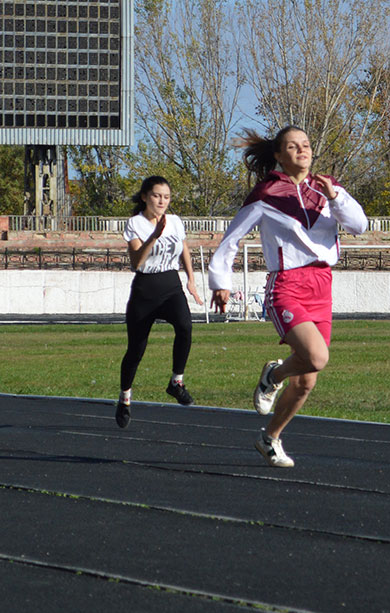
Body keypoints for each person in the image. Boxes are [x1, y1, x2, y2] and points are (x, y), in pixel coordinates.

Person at [209, 126, 367, 467]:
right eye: (293, 146)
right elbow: (232, 238)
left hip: (322, 284)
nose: (302, 150)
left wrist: (335, 198)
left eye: (306, 145)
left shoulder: (328, 186)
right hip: (287, 285)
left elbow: (359, 225)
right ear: (279, 155)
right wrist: (220, 281)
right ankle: (273, 376)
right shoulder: (267, 192)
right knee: (317, 357)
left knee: (307, 380)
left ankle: (270, 438)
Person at [115, 175, 204, 428]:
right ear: (145, 197)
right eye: (156, 196)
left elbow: (183, 249)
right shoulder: (135, 223)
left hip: (170, 285)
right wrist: (154, 235)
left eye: (166, 197)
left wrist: (191, 279)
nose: (162, 201)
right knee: (136, 349)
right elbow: (136, 262)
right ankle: (125, 398)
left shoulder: (175, 221)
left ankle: (176, 382)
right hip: (145, 289)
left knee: (185, 326)